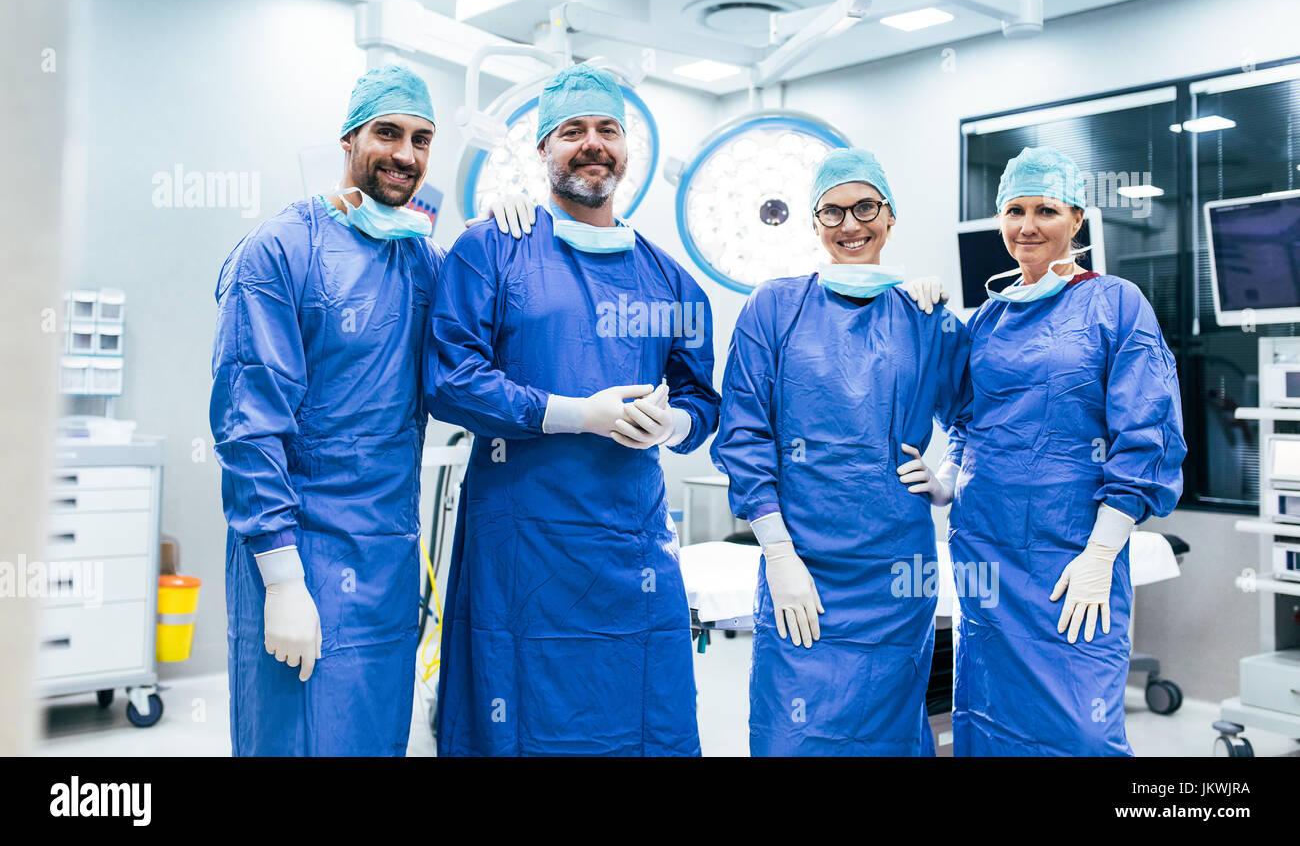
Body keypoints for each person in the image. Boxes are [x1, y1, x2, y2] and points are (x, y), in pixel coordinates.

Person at [211, 63, 531, 756]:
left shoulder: (423, 261)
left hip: (387, 556)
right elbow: (248, 425)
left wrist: (499, 241)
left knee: (374, 737)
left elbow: (481, 343)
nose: (405, 155)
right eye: (387, 133)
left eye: (422, 139)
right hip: (298, 547)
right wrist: (283, 579)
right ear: (349, 139)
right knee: (294, 738)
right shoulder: (279, 251)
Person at [425, 63, 720, 756]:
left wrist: (672, 423)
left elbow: (704, 399)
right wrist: (573, 414)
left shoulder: (668, 277)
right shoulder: (491, 249)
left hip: (631, 543)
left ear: (627, 151)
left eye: (607, 129)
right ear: (541, 151)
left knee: (644, 713)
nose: (592, 144)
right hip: (521, 549)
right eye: (572, 131)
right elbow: (450, 381)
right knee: (518, 715)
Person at [710, 147, 972, 756]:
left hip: (892, 570)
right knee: (792, 732)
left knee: (889, 732)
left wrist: (947, 478)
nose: (850, 225)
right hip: (801, 560)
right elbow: (744, 435)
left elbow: (976, 417)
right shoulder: (773, 307)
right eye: (832, 212)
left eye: (865, 207)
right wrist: (777, 553)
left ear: (890, 216)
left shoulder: (923, 313)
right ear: (813, 222)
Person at [942, 146, 1186, 756]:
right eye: (1014, 210)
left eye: (1045, 210)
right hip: (986, 547)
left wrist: (1104, 549)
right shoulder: (988, 318)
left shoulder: (1116, 303)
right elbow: (968, 419)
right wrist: (948, 474)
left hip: (1073, 550)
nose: (1027, 226)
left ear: (1077, 219)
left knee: (1081, 727)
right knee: (989, 716)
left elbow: (1147, 430)